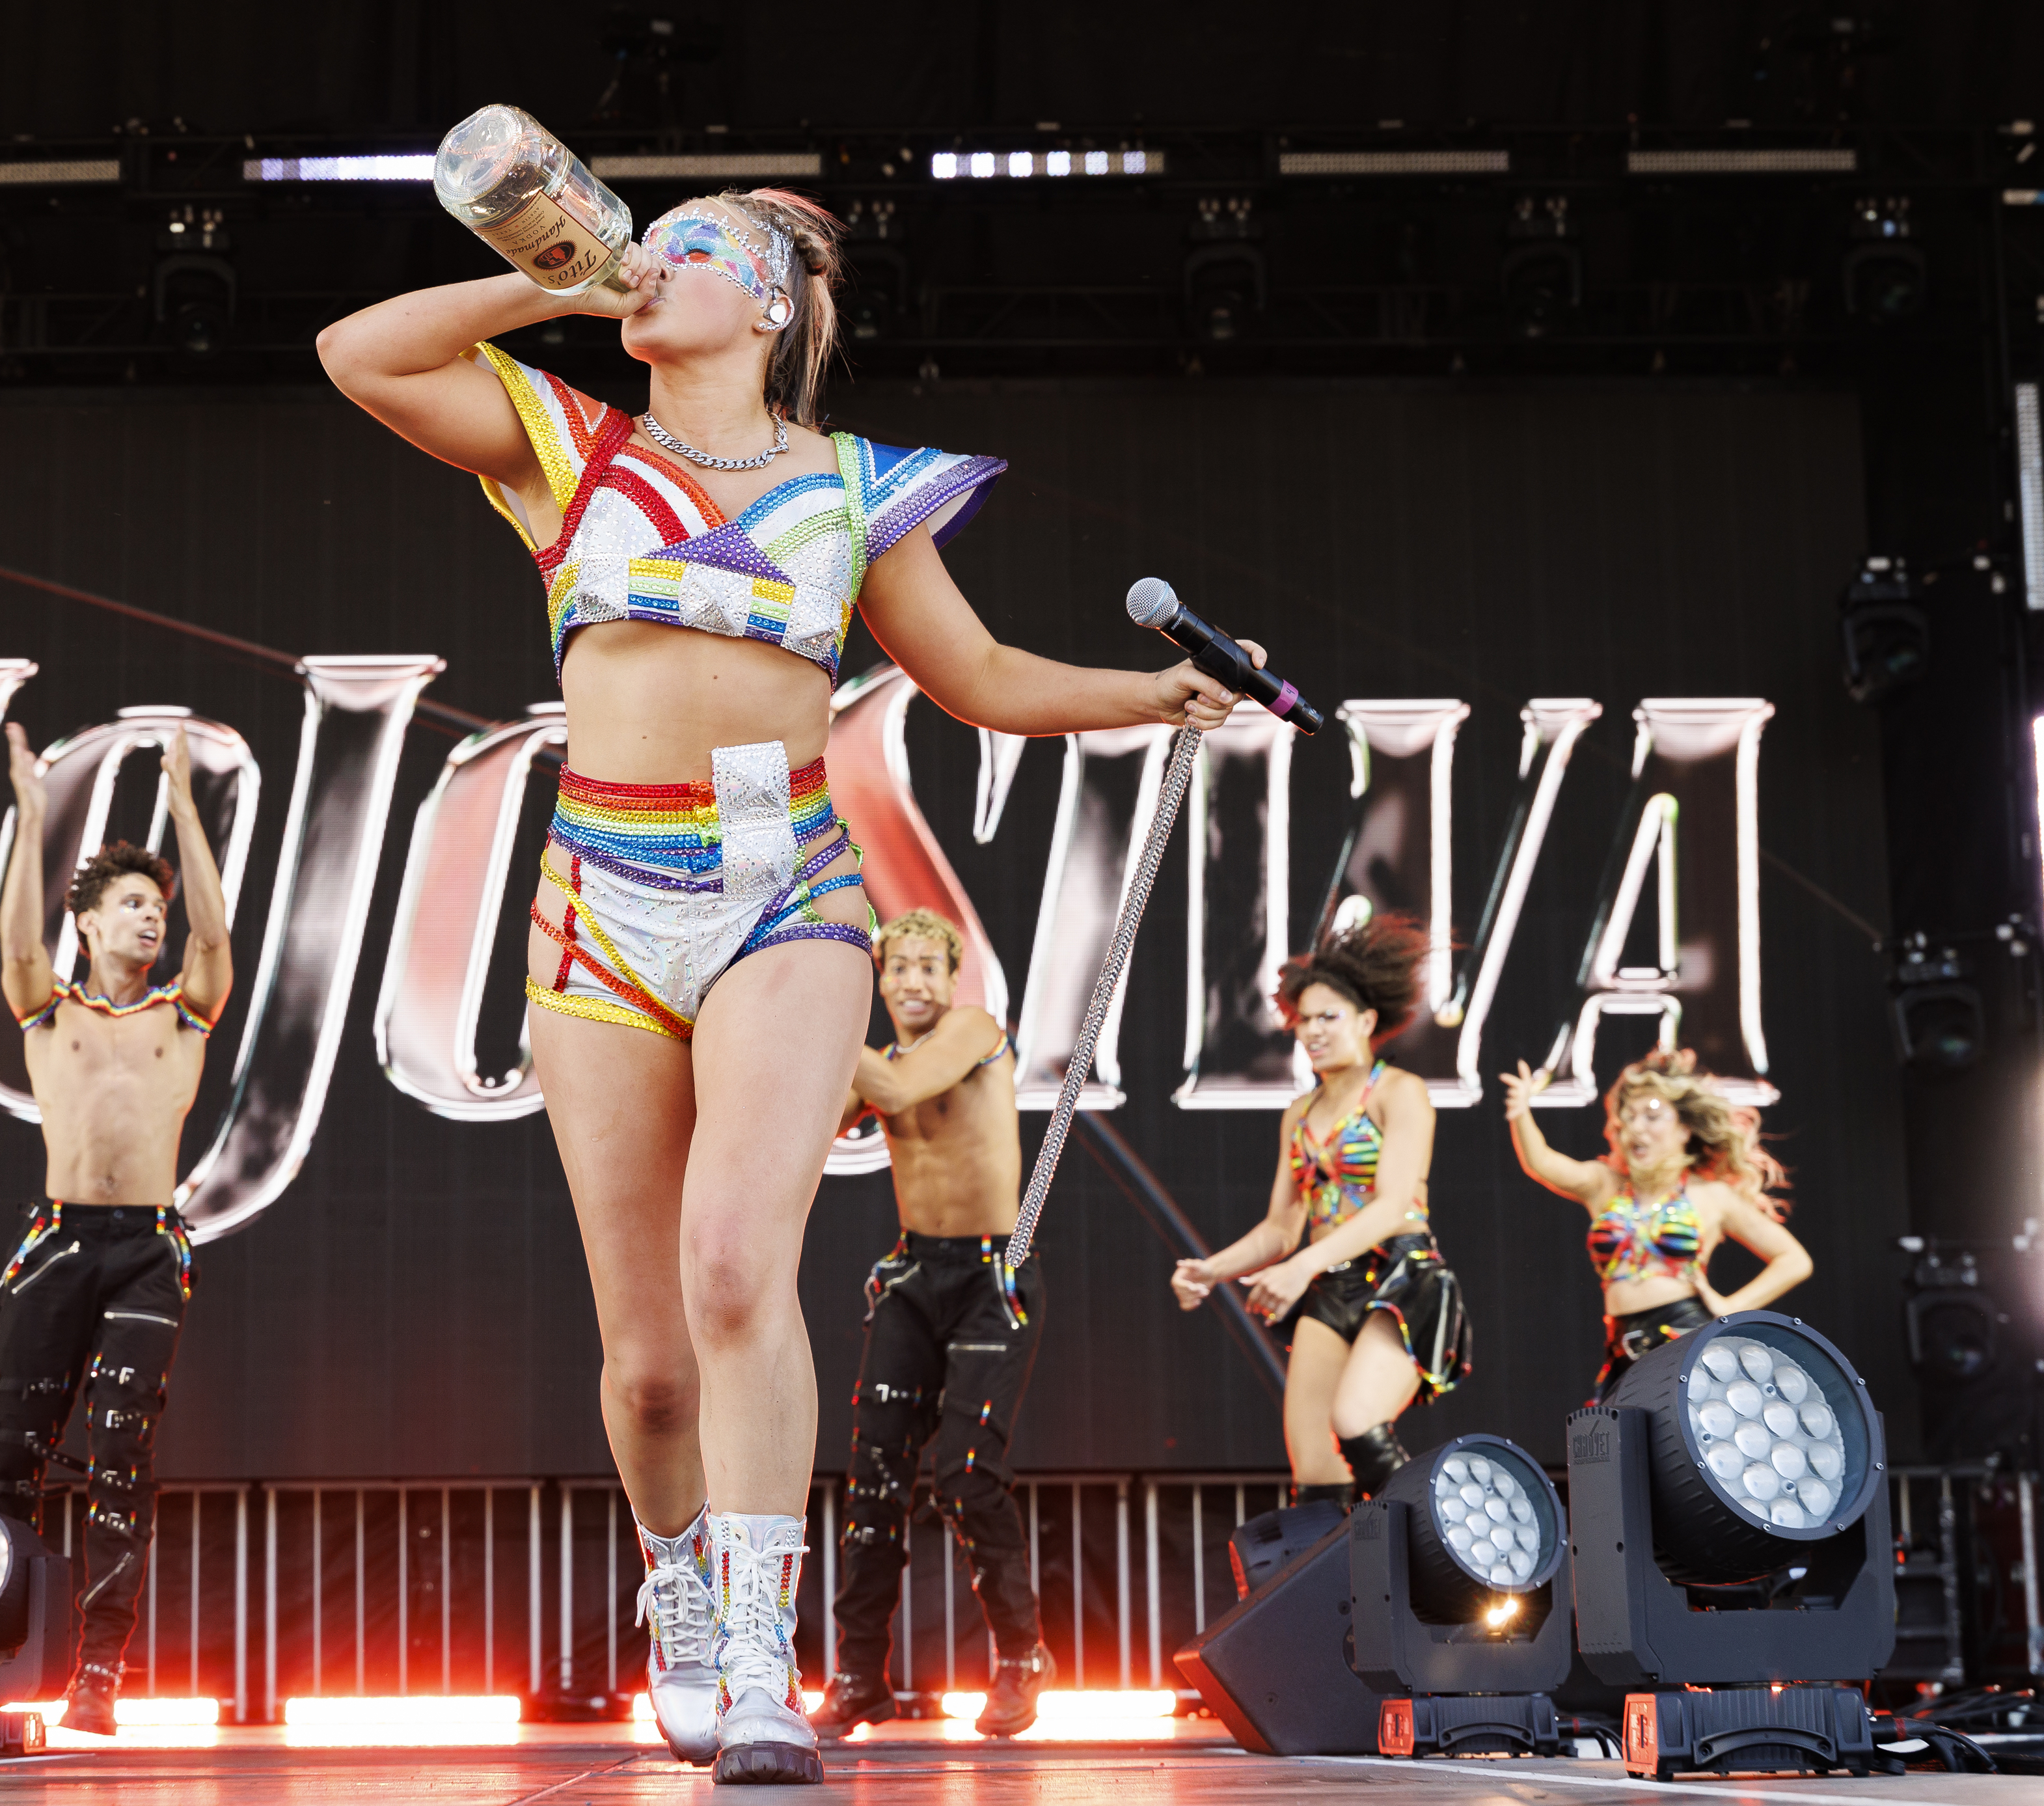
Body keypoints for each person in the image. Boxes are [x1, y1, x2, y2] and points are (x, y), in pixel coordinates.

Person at [319, 185, 1254, 1784]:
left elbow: (979, 678)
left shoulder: (851, 487)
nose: (651, 263)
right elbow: (360, 353)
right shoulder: (565, 443)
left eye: (689, 248)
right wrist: (545, 280)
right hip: (600, 899)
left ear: (766, 305)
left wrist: (1150, 694)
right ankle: (676, 1585)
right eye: (649, 240)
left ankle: (762, 1658)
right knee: (648, 1356)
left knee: (741, 1266)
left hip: (789, 893)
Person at [0, 724, 232, 1739]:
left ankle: (99, 1667)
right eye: (131, 903)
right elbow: (15, 947)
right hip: (58, 1239)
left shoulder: (183, 1014)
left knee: (120, 1451)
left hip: (147, 1247)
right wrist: (32, 815)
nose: (151, 920)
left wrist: (182, 810)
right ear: (86, 922)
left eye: (156, 907)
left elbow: (215, 942)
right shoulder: (50, 1012)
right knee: (14, 1457)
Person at [810, 910, 1052, 1741]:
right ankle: (857, 1676)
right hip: (916, 1275)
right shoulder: (880, 1063)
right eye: (896, 969)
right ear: (879, 982)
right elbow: (814, 1128)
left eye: (925, 969)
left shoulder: (973, 1032)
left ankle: (1020, 1658)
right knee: (873, 1482)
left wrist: (818, 1015)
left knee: (965, 1474)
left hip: (992, 1275)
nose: (911, 982)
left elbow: (903, 1091)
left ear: (952, 981)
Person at [1170, 914, 1467, 1508]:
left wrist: (1302, 1266)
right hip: (1333, 1282)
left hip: (1401, 1278)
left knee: (1355, 1420)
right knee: (1312, 1461)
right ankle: (1336, 1595)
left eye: (1328, 1017)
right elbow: (1281, 1227)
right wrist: (1211, 1269)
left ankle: (1441, 1551)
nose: (1312, 1031)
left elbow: (1392, 1205)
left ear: (1366, 1020)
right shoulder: (1299, 1112)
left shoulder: (1397, 1091)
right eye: (1303, 1019)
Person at [1500, 1047, 1810, 1401]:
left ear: (1684, 1129)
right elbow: (1541, 1163)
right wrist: (1521, 1113)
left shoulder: (1711, 1196)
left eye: (1651, 1116)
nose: (1636, 1128)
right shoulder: (1605, 1184)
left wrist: (1728, 1308)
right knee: (1624, 1444)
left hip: (1686, 1338)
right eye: (1628, 1117)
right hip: (1622, 1345)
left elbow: (1794, 1260)